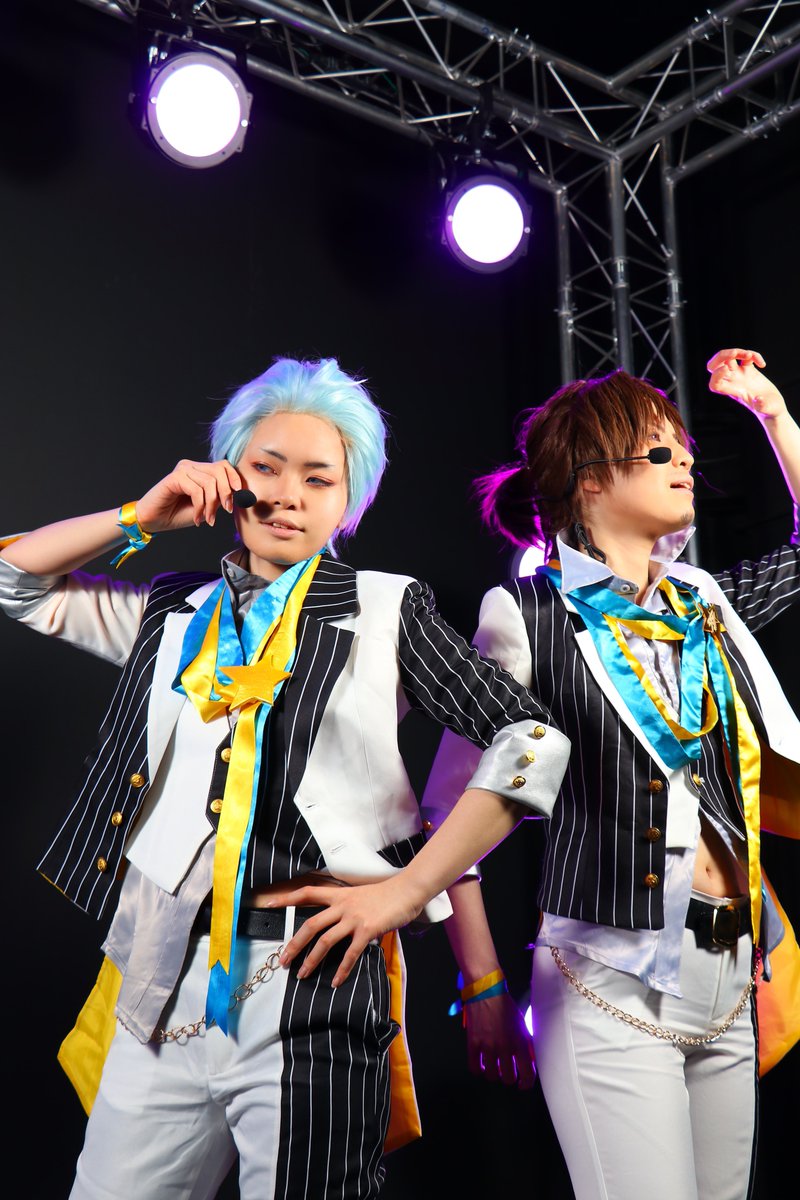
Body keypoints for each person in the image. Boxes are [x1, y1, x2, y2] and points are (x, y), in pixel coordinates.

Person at [0, 356, 571, 1200]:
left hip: (315, 979)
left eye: (318, 477)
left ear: (349, 500)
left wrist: (408, 891)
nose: (288, 495)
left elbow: (535, 741)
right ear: (228, 477)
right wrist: (141, 516)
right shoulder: (173, 612)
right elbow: (14, 581)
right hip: (163, 974)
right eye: (265, 468)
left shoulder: (385, 608)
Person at [268, 348, 800, 1200]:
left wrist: (775, 416)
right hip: (609, 973)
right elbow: (452, 807)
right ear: (590, 481)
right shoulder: (525, 616)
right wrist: (482, 984)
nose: (685, 464)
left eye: (686, 450)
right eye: (660, 451)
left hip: (730, 973)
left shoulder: (704, 604)